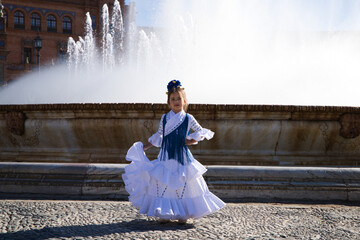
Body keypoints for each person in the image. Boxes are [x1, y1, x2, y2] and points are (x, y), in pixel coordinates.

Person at [122, 80, 225, 224]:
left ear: (184, 101)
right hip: (165, 156)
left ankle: (184, 213)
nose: (176, 101)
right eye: (173, 99)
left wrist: (191, 140)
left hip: (182, 157)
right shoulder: (164, 118)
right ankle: (164, 212)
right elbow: (159, 135)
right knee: (164, 184)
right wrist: (146, 146)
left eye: (179, 99)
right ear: (169, 102)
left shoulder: (188, 118)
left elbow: (200, 132)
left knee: (183, 184)